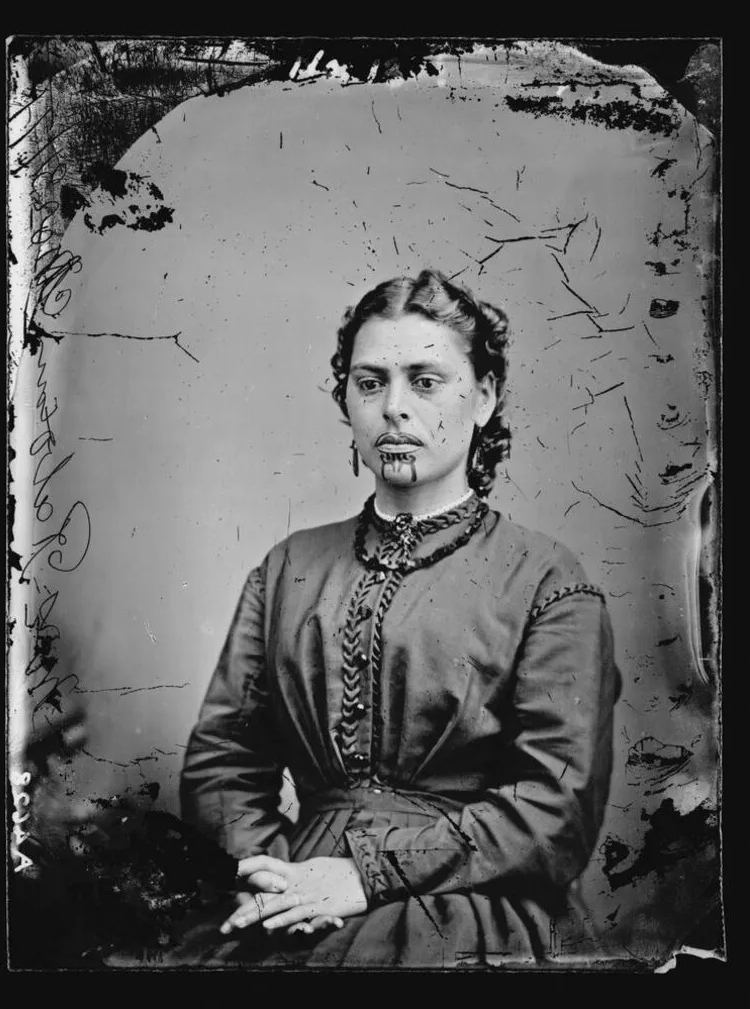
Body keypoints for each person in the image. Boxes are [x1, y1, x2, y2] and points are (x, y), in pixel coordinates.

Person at [175, 269, 622, 968]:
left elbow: (556, 806)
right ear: (346, 400)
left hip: (469, 906)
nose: (394, 408)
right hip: (292, 892)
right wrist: (265, 869)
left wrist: (364, 875)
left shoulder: (545, 579)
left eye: (425, 380)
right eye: (371, 381)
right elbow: (223, 759)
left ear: (484, 397)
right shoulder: (289, 567)